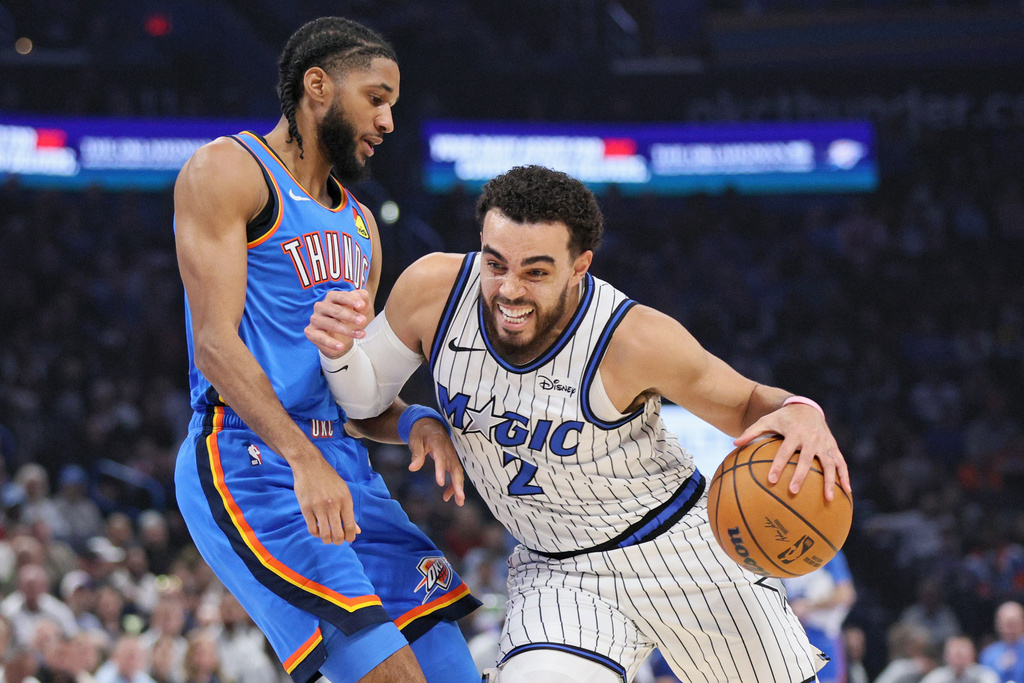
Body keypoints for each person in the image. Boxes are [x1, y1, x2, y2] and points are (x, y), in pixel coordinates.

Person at [306, 164, 853, 682]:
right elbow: (358, 405)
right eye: (495, 264)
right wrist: (376, 387)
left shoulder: (634, 340)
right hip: (558, 572)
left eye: (536, 271)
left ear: (579, 266)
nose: (510, 290)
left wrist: (802, 412)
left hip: (682, 552)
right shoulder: (433, 293)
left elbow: (746, 401)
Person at [172, 16, 480, 683]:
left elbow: (354, 394)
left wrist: (412, 420)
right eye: (376, 98)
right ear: (318, 86)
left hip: (341, 465)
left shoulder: (362, 225)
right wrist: (302, 456)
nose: (388, 121)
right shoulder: (229, 170)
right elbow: (214, 344)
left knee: (453, 668)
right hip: (252, 459)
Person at [782, 550, 857, 683]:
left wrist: (809, 606)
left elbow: (845, 594)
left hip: (821, 637)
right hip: (787, 636)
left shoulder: (826, 550)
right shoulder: (776, 556)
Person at [978, 601, 1024, 683]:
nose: (1012, 629)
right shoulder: (989, 654)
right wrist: (1000, 668)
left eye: (1015, 623)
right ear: (998, 624)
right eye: (1008, 624)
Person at [920, 636, 999, 683]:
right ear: (946, 656)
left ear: (973, 655)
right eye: (956, 655)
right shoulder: (936, 678)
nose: (959, 661)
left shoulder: (985, 676)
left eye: (962, 655)